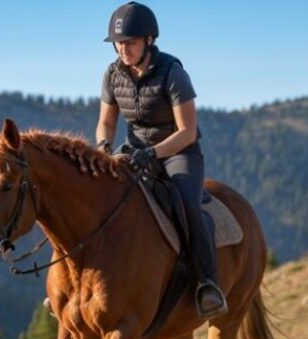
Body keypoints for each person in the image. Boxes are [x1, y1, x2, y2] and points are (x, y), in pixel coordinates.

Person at [95, 1, 228, 319]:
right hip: (134, 152)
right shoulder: (112, 74)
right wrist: (103, 148)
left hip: (179, 153)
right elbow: (106, 122)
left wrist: (152, 153)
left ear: (149, 40)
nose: (123, 49)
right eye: (118, 43)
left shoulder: (173, 73)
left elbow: (187, 131)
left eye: (130, 42)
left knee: (187, 204)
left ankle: (207, 283)